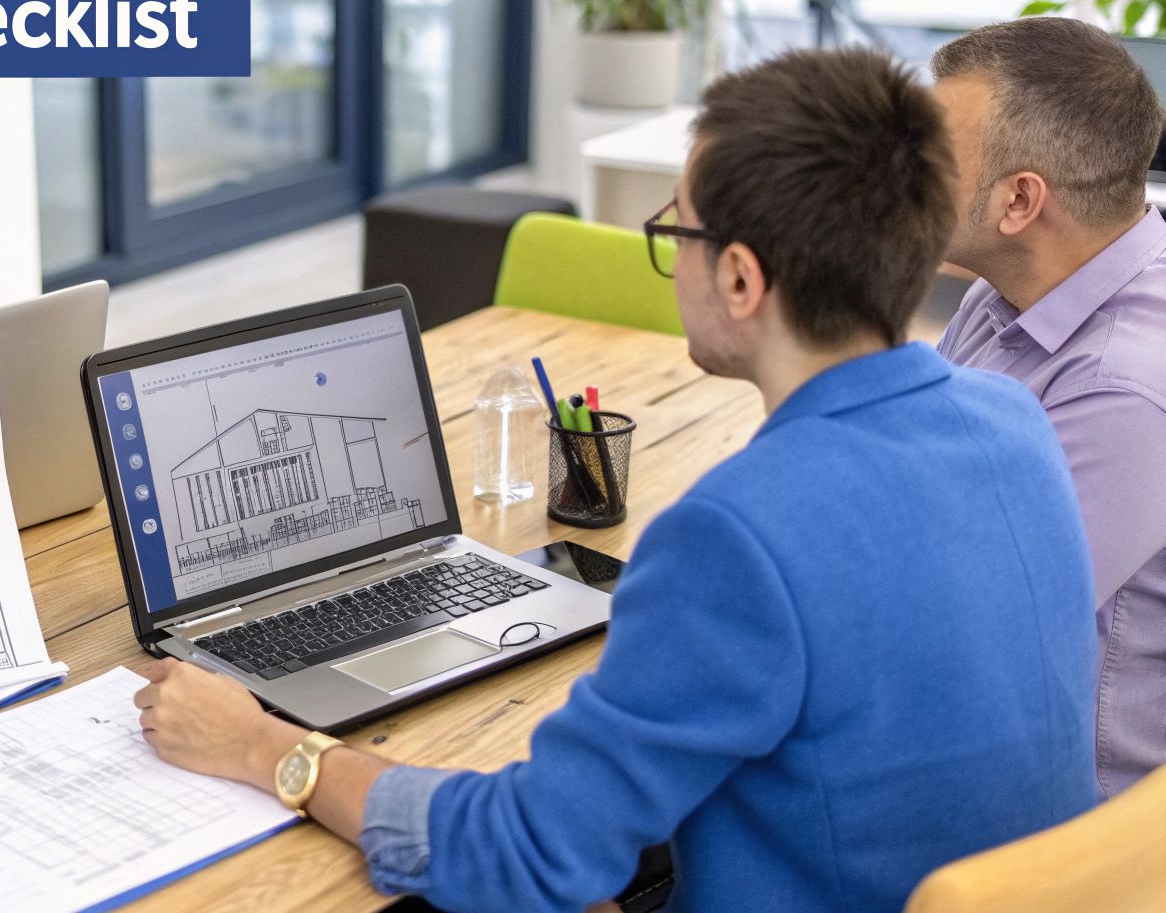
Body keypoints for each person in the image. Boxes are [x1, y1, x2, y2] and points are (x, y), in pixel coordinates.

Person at [130, 49, 1098, 913]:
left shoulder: (737, 533)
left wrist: (267, 749)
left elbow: (526, 850)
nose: (669, 258)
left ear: (738, 281)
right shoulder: (1010, 420)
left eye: (676, 233)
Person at [930, 17, 1166, 799]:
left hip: (1058, 825)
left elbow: (958, 632)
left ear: (1019, 201)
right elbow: (905, 473)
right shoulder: (1003, 294)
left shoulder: (1123, 388)